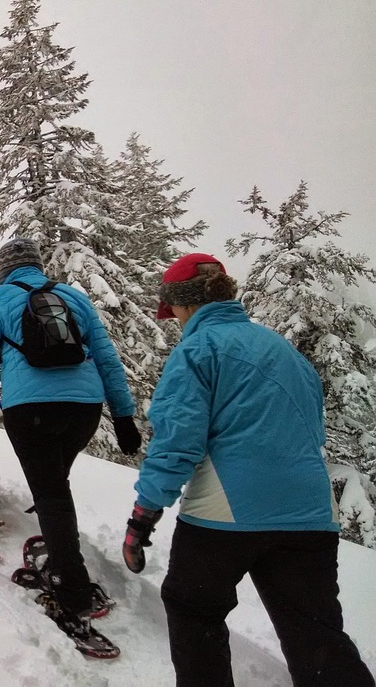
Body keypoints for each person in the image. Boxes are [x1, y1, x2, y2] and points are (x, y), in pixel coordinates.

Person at [122, 254, 374, 687]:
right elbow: (311, 431)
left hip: (226, 512)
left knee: (193, 609)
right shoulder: (286, 351)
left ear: (185, 305)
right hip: (311, 513)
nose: (175, 320)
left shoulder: (198, 349)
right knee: (315, 633)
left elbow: (177, 441)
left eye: (175, 311)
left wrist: (144, 513)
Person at [0, 237, 140, 639]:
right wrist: (123, 416)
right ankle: (64, 560)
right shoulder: (73, 297)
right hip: (83, 409)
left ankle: (72, 593)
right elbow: (107, 358)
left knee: (51, 492)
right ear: (38, 265)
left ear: (4, 269)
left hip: (30, 409)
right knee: (55, 484)